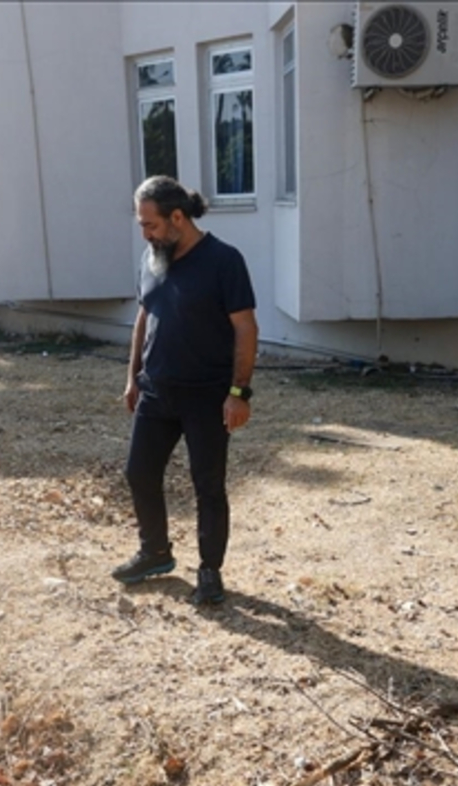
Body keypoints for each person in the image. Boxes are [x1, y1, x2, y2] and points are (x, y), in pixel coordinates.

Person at [112, 175, 258, 606]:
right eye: (141, 225)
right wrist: (133, 376)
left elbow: (245, 328)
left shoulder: (224, 260)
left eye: (151, 224)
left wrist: (239, 393)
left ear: (178, 217)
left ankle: (210, 570)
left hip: (206, 396)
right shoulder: (152, 257)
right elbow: (144, 318)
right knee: (139, 472)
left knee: (208, 484)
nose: (145, 234)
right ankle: (155, 552)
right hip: (157, 391)